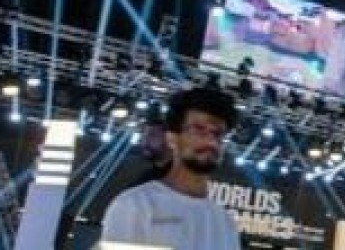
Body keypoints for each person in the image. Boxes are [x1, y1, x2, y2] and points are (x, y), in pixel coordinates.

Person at [99, 88, 242, 250]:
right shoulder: (136, 205)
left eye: (218, 134)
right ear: (172, 138)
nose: (211, 141)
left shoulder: (225, 222)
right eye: (199, 129)